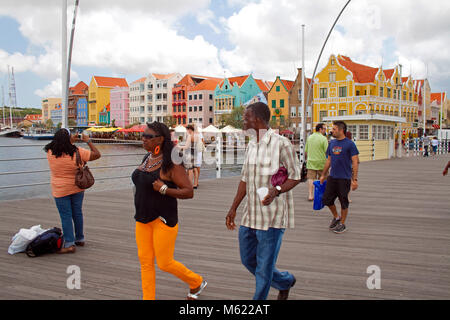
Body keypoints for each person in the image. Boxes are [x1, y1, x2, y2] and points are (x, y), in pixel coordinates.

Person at [226, 102, 301, 300]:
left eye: (245, 118)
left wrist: (276, 190)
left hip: (271, 217)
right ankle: (285, 281)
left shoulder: (282, 144)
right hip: (250, 215)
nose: (243, 121)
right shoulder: (251, 144)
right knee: (248, 260)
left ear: (257, 120)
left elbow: (296, 176)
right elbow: (244, 179)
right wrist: (233, 208)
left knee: (264, 267)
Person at [132, 121, 206, 300]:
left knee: (164, 263)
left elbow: (189, 192)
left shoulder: (172, 163)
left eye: (148, 137)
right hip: (142, 219)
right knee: (146, 262)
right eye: (143, 136)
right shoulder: (147, 158)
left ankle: (196, 281)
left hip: (162, 219)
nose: (143, 139)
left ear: (160, 139)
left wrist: (164, 189)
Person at [45, 128, 101, 253]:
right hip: (77, 187)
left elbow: (60, 148)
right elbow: (97, 154)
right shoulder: (78, 152)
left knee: (66, 216)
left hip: (60, 189)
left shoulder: (49, 152)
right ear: (69, 138)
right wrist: (88, 141)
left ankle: (69, 243)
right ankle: (80, 238)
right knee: (77, 213)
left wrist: (70, 140)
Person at [319, 121, 359, 234]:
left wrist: (354, 180)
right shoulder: (331, 143)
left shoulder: (350, 144)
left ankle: (342, 223)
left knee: (343, 201)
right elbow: (329, 160)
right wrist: (323, 175)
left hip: (344, 178)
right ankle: (336, 217)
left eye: (335, 129)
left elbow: (355, 162)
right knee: (326, 199)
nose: (332, 131)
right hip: (332, 177)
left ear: (341, 130)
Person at [304, 123, 328, 201]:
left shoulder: (309, 138)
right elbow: (327, 151)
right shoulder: (324, 139)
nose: (325, 130)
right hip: (321, 162)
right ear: (320, 129)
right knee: (323, 178)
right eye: (324, 129)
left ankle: (311, 195)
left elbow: (306, 151)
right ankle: (323, 194)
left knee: (311, 178)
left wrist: (307, 158)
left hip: (311, 161)